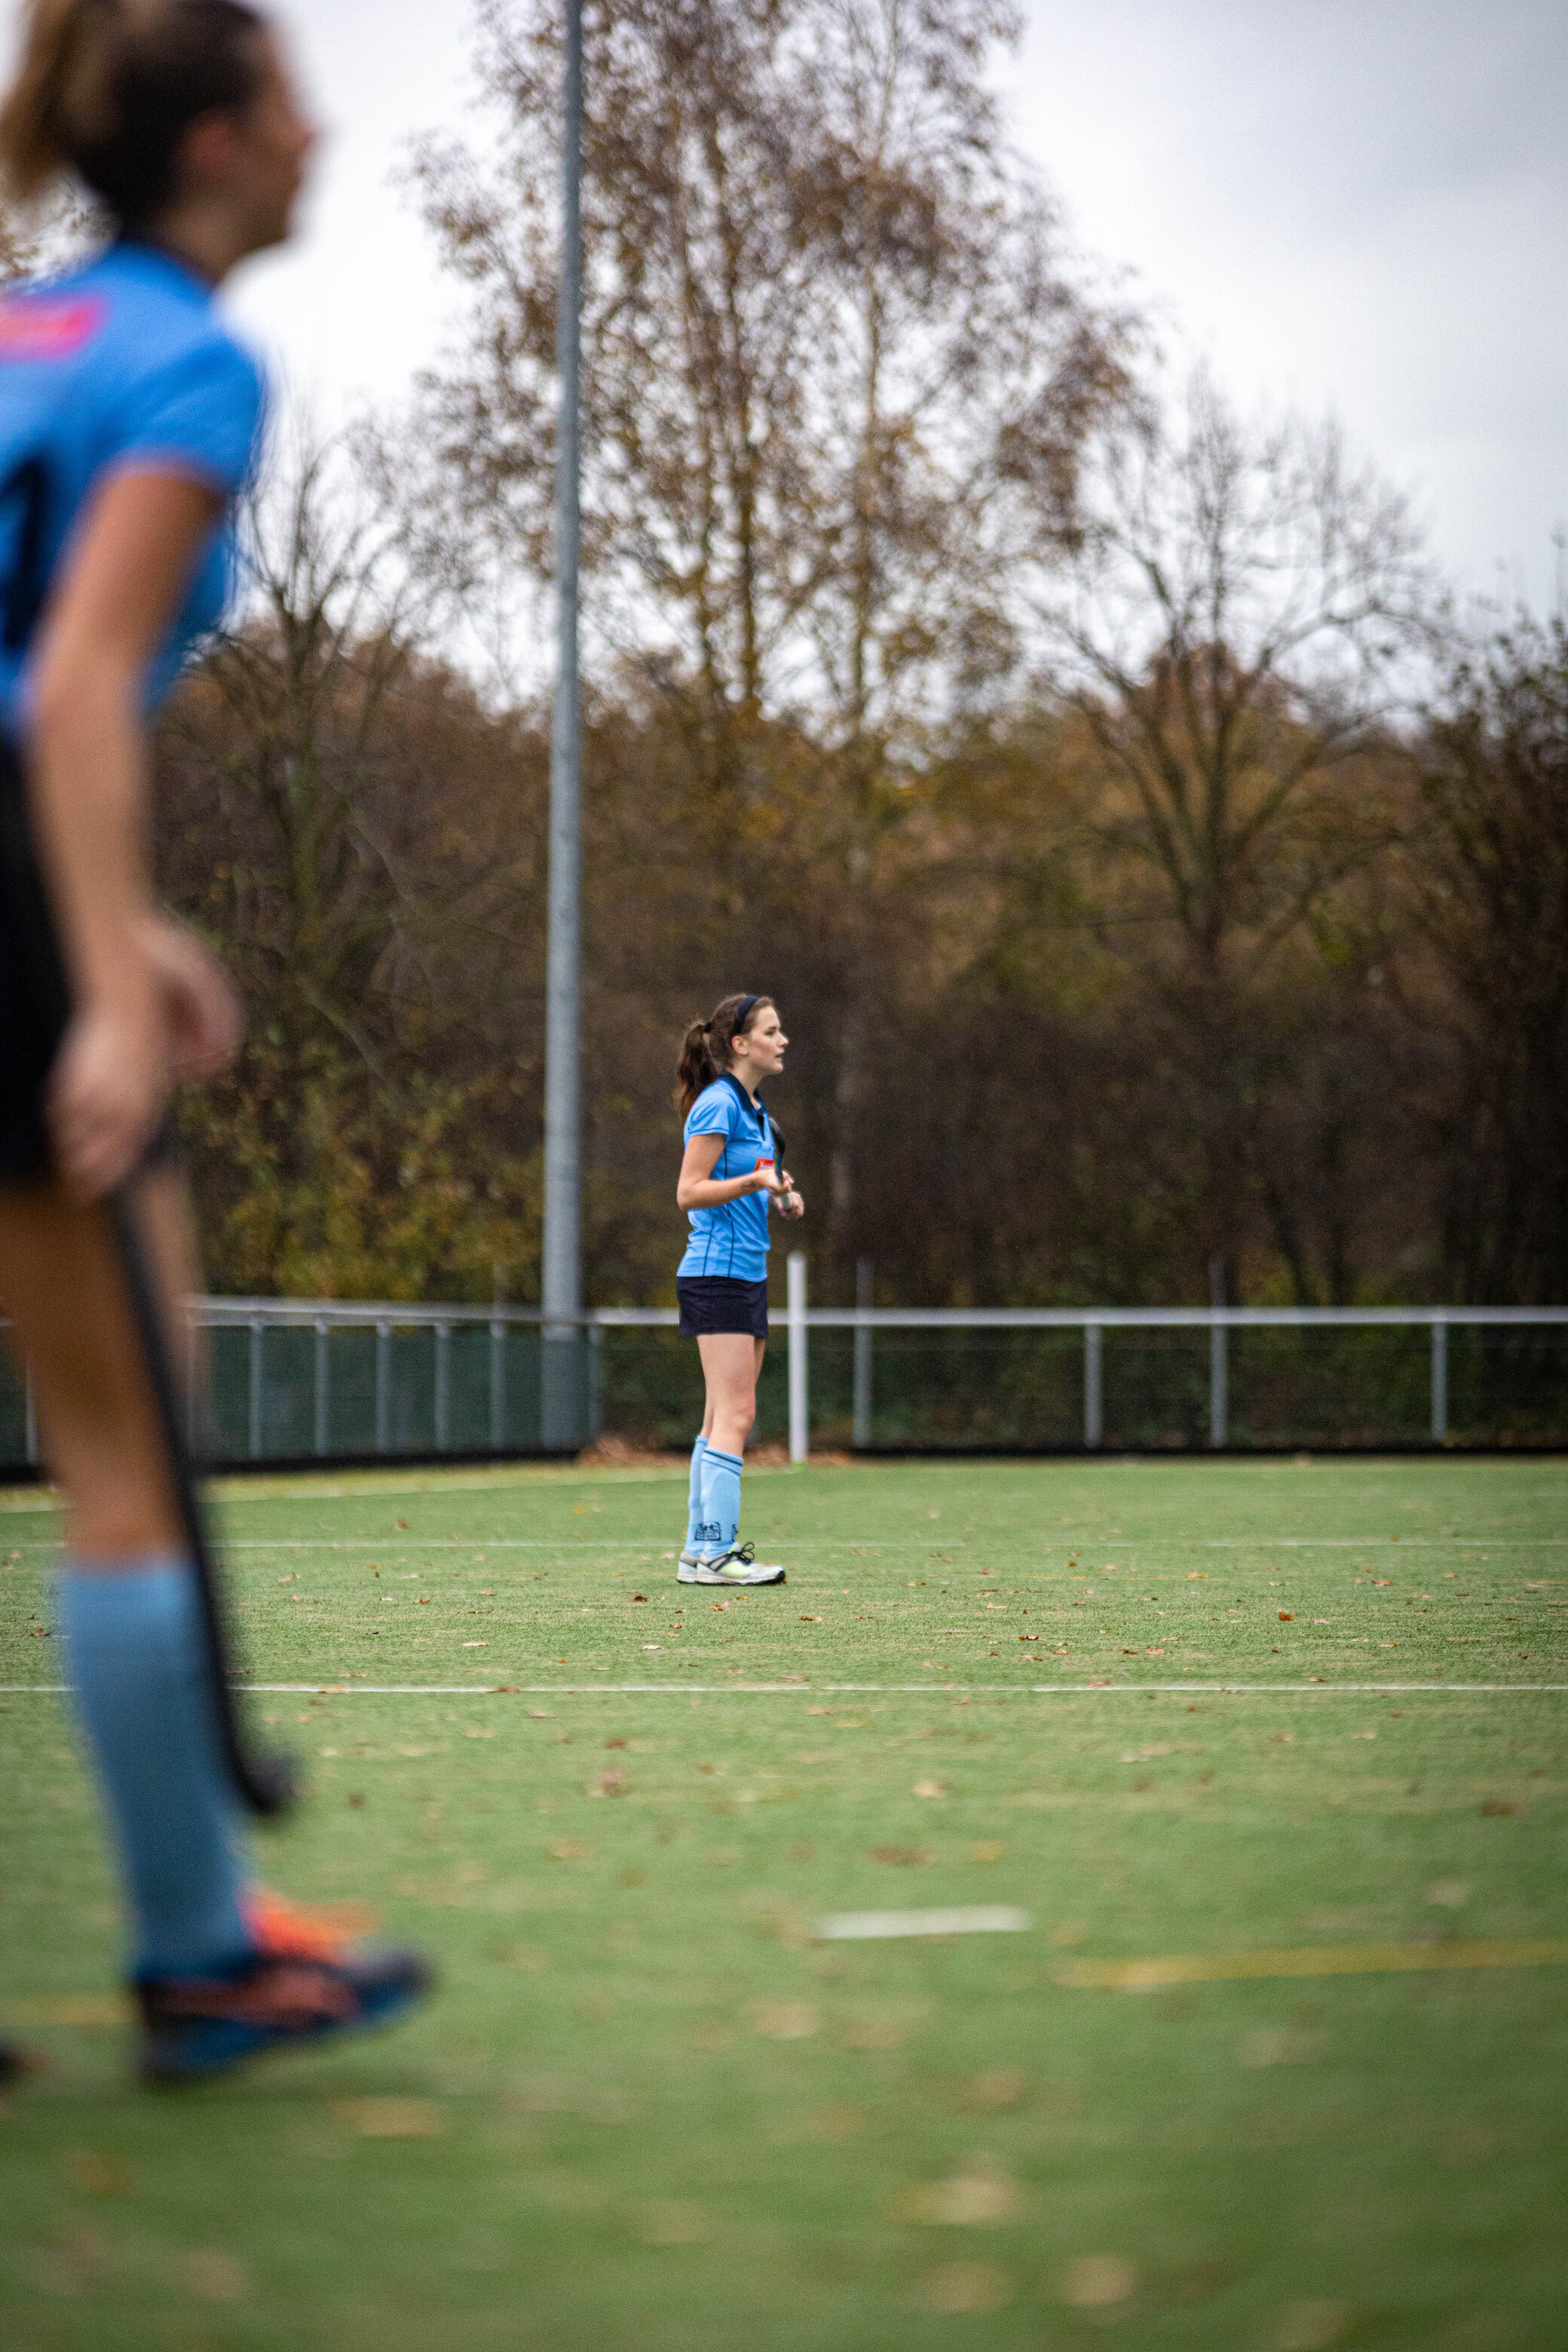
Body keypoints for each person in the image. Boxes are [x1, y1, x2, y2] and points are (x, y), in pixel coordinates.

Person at [0, 0, 429, 2082]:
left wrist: (126, 920)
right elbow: (71, 694)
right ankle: (194, 1956)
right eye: (292, 97)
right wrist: (95, 972)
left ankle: (200, 1927)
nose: (322, 130)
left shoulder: (19, 336)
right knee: (123, 1456)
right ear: (225, 142)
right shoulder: (184, 357)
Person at [673, 993, 804, 1587]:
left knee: (717, 1417)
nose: (782, 1042)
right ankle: (719, 1554)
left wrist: (779, 1193)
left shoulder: (758, 1113)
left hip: (747, 1272)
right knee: (738, 1412)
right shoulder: (716, 1105)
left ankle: (698, 1551)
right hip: (716, 1271)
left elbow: (755, 1181)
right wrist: (754, 1179)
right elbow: (689, 1192)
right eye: (772, 1032)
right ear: (740, 1044)